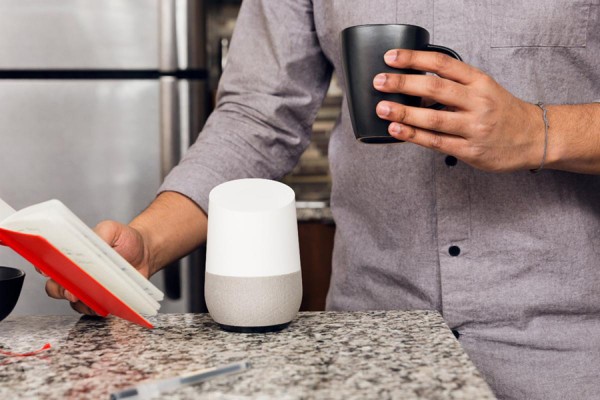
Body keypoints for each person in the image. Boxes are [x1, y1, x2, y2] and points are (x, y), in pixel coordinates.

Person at [44, 1, 599, 399]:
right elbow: (258, 120)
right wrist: (147, 243)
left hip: (572, 349)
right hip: (374, 344)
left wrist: (539, 131)